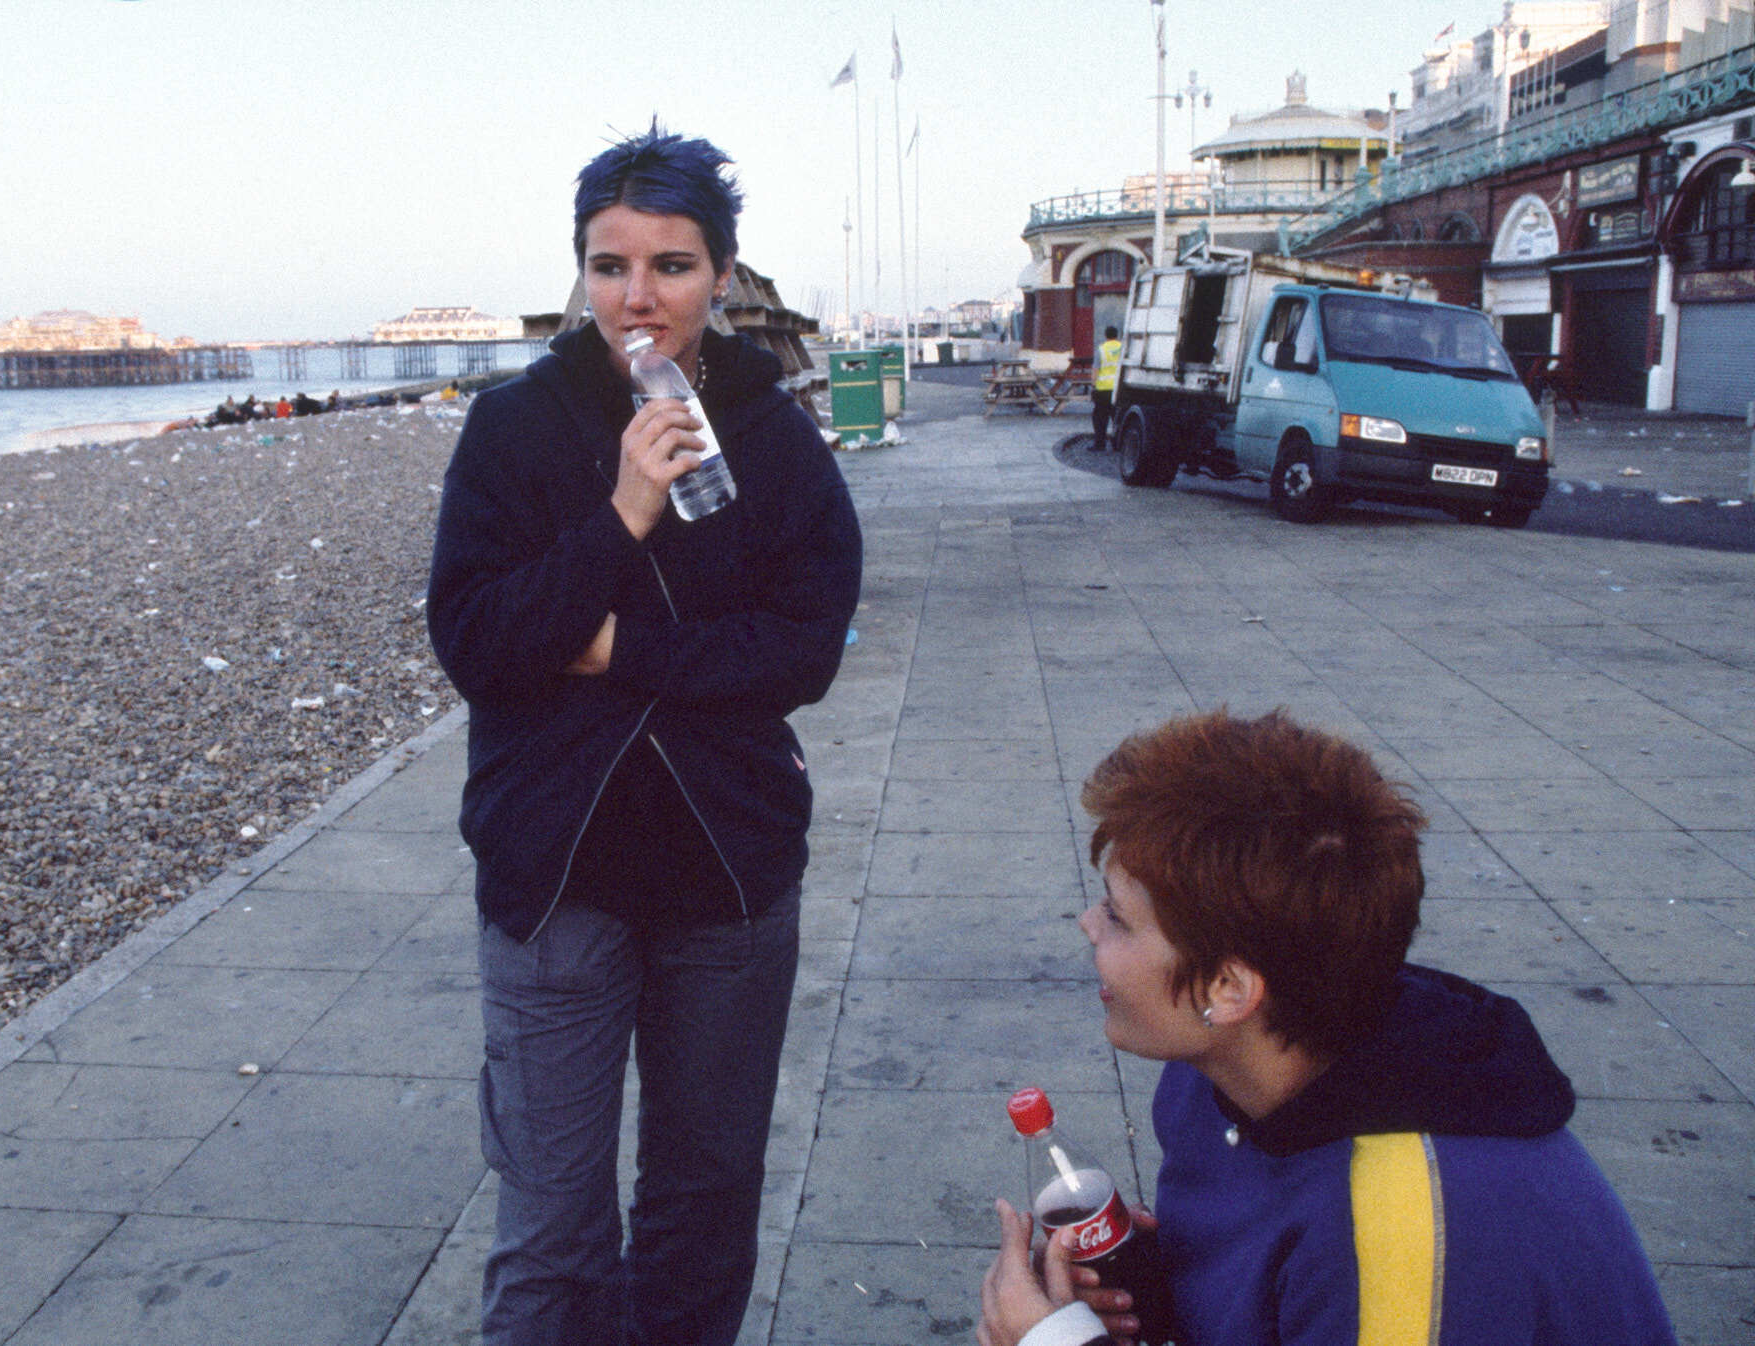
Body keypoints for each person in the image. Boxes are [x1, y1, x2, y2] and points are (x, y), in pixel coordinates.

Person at [426, 125, 863, 1346]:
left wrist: (618, 652)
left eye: (670, 266)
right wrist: (621, 509)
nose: (637, 296)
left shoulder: (773, 435)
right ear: (579, 271)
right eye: (608, 264)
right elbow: (476, 641)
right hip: (554, 868)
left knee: (701, 1205)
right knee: (552, 1225)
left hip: (726, 870)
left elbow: (802, 648)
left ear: (720, 277)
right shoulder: (514, 428)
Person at [981, 709, 1677, 1346]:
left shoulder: (1398, 1233)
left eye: (1118, 916)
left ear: (1229, 990)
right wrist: (1161, 1284)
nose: (1087, 924)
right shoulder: (1220, 1075)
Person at [1090, 325, 1121, 451]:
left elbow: (1096, 370)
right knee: (1118, 418)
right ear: (1117, 335)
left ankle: (1100, 444)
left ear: (1105, 335)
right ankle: (1118, 445)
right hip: (1119, 389)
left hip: (1103, 390)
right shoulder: (1122, 348)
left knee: (1100, 419)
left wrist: (1093, 385)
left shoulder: (1101, 350)